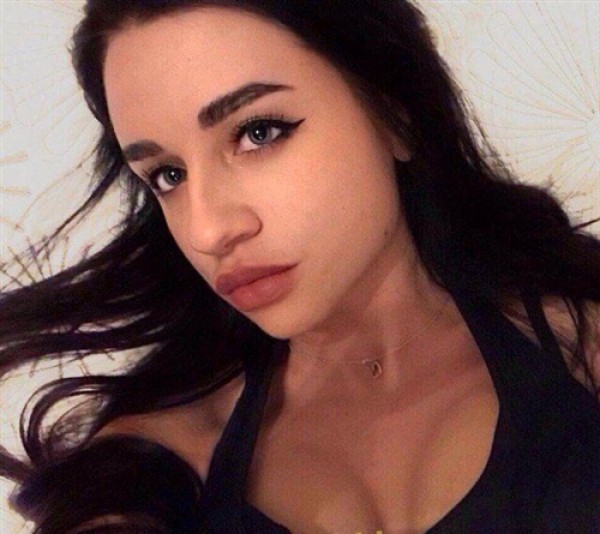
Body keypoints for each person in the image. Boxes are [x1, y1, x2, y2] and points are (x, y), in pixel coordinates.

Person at [1, 1, 599, 532]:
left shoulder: (581, 351)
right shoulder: (160, 459)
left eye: (258, 132)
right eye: (168, 175)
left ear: (394, 113)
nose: (208, 230)